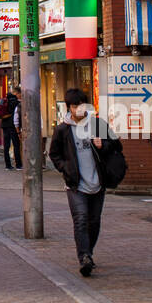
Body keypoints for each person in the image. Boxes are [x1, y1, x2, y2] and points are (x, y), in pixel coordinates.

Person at [49, 88, 123, 277]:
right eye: (75, 106)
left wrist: (103, 145)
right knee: (81, 220)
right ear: (69, 108)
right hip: (75, 184)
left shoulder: (97, 124)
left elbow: (117, 145)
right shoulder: (62, 130)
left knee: (94, 221)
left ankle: (88, 251)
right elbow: (54, 154)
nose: (79, 110)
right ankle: (84, 257)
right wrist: (65, 168)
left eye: (82, 105)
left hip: (97, 182)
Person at [0, 90, 22, 170]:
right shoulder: (16, 102)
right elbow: (18, 114)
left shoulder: (4, 101)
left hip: (4, 125)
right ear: (16, 93)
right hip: (13, 126)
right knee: (16, 145)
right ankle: (18, 165)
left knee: (6, 146)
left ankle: (8, 165)